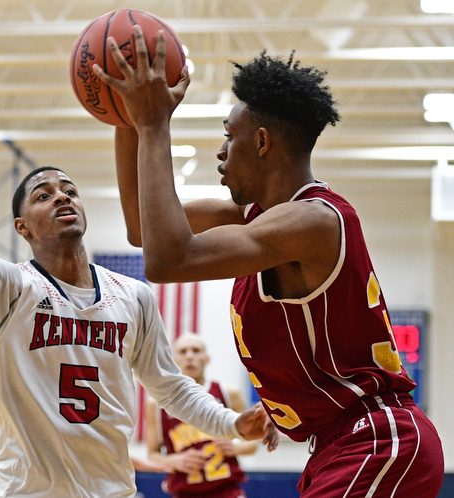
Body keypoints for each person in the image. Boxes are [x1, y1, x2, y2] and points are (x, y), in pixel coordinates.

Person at [95, 26, 445, 497]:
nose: (220, 152)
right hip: (336, 446)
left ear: (261, 143)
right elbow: (143, 227)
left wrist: (156, 124)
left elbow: (168, 261)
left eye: (228, 136)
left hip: (379, 440)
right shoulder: (253, 217)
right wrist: (127, 115)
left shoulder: (315, 220)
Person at [0, 97, 275, 498]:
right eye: (43, 196)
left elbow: (170, 387)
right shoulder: (7, 289)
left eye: (69, 190)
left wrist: (232, 424)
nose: (62, 197)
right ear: (22, 227)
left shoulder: (132, 296)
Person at [146, 333, 275, 498]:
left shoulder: (228, 393)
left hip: (227, 490)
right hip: (184, 491)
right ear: (174, 359)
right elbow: (152, 454)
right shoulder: (156, 404)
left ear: (207, 358)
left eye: (196, 350)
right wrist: (174, 461)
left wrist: (236, 447)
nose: (190, 356)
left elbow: (252, 444)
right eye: (183, 351)